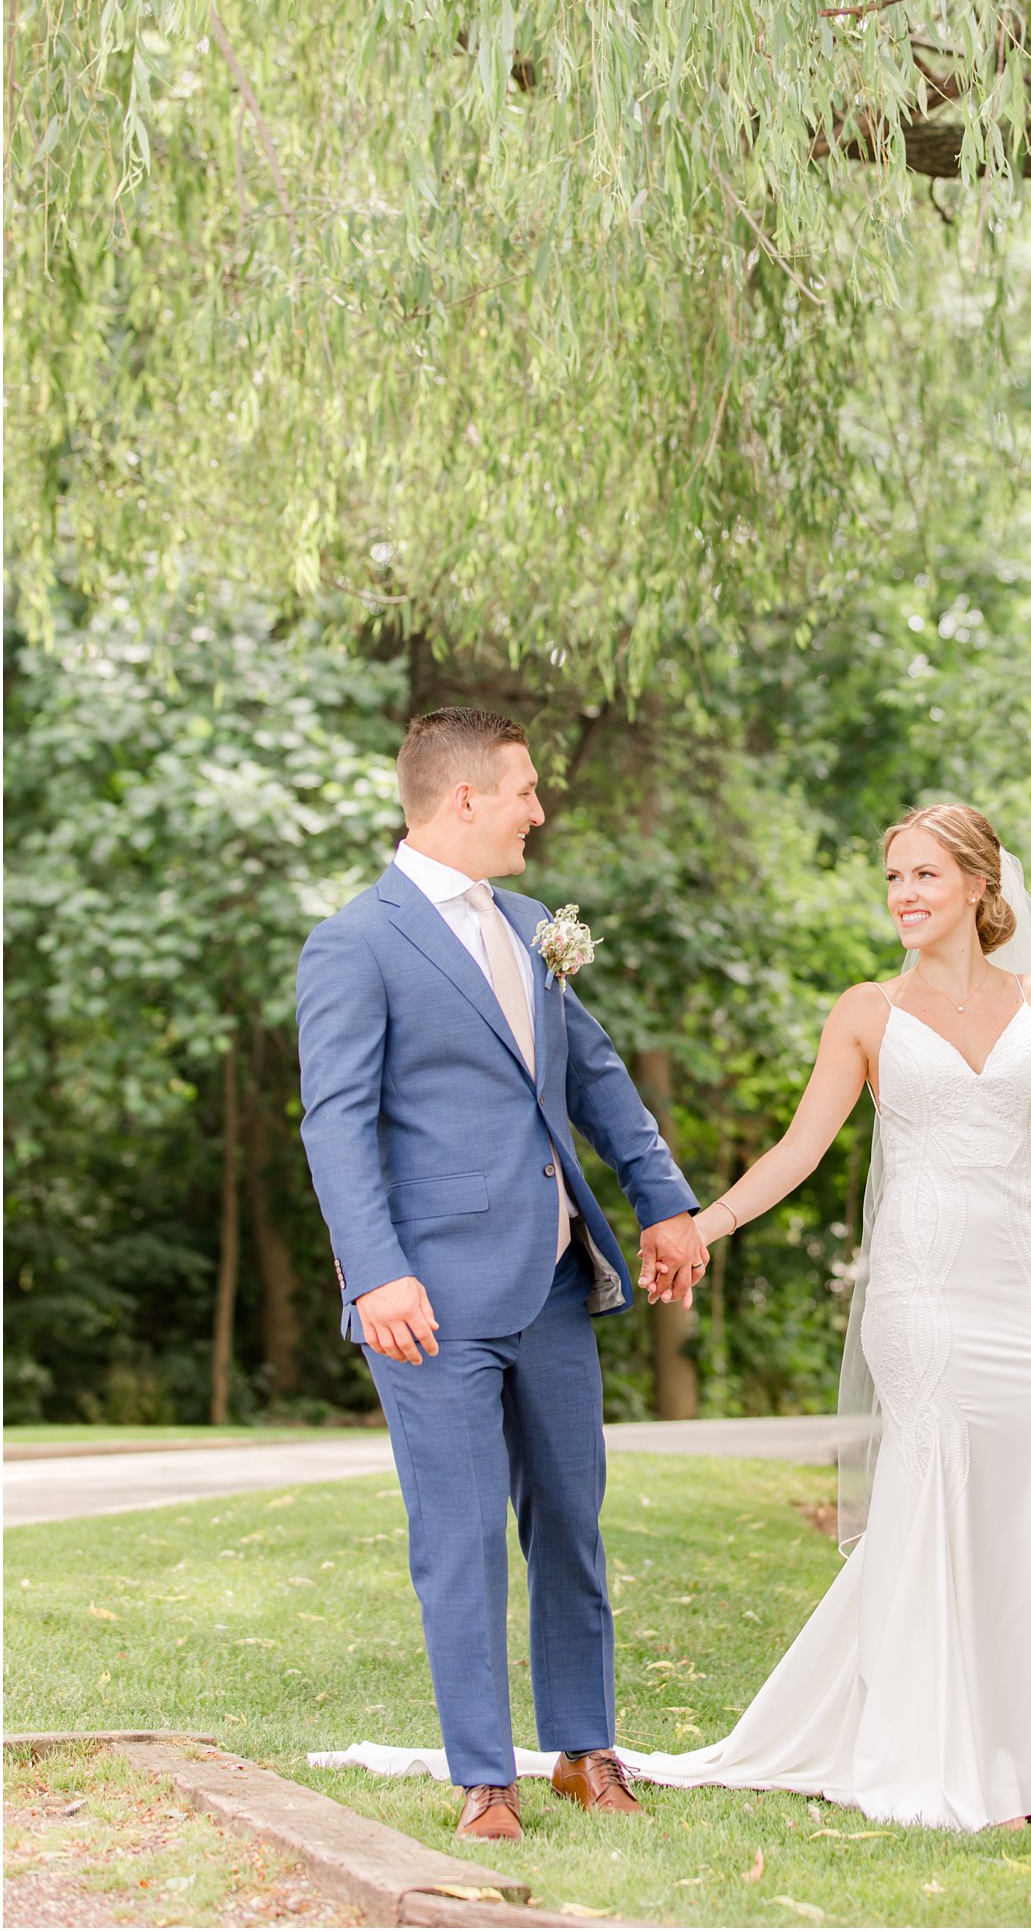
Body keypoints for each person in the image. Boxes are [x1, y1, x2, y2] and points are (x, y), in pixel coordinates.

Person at [596, 803, 1031, 1835]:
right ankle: (954, 1759)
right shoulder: (865, 1011)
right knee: (944, 1496)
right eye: (893, 878)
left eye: (924, 877)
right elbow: (798, 1149)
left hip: (1024, 1290)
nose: (905, 895)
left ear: (979, 888)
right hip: (921, 1295)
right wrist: (701, 1226)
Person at [296, 707, 707, 1843]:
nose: (539, 810)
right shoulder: (354, 942)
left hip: (554, 1284)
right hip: (425, 1301)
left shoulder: (531, 927)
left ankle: (586, 1751)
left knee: (572, 1523)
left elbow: (596, 1077)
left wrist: (664, 1200)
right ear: (462, 798)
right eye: (523, 789)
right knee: (463, 1535)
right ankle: (486, 1777)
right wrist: (374, 1274)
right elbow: (335, 1125)